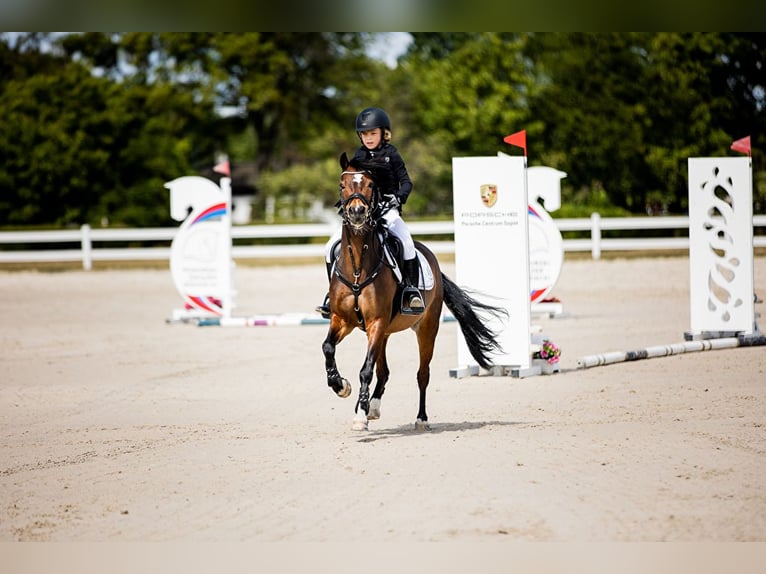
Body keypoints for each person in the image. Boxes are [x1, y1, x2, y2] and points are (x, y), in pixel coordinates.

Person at [316, 106, 424, 318]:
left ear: (384, 133)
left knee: (406, 242)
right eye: (364, 134)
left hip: (388, 210)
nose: (368, 138)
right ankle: (333, 295)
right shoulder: (359, 155)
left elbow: (406, 182)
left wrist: (397, 198)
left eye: (372, 133)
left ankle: (410, 291)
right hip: (364, 212)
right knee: (330, 247)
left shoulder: (391, 154)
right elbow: (352, 181)